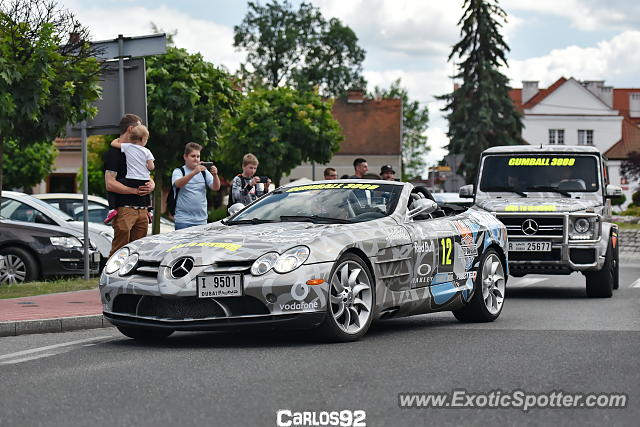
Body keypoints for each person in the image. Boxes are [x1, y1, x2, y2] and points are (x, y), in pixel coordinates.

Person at [104, 114, 155, 256]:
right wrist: (134, 191)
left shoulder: (141, 150)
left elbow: (147, 175)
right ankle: (111, 278)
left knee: (138, 253)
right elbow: (110, 184)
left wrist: (152, 185)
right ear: (131, 129)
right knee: (120, 251)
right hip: (124, 209)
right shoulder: (114, 153)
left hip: (143, 209)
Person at [105, 125, 154, 224]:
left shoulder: (127, 147)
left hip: (131, 178)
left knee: (115, 185)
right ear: (143, 139)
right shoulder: (147, 151)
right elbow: (151, 167)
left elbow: (113, 143)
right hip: (144, 179)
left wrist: (118, 139)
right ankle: (149, 210)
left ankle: (112, 209)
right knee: (146, 187)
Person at [171, 142, 221, 230]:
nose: (196, 159)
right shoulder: (179, 171)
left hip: (201, 221)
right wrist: (194, 173)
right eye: (193, 156)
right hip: (183, 221)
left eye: (198, 156)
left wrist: (215, 175)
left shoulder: (204, 172)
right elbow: (178, 184)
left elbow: (216, 187)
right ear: (185, 157)